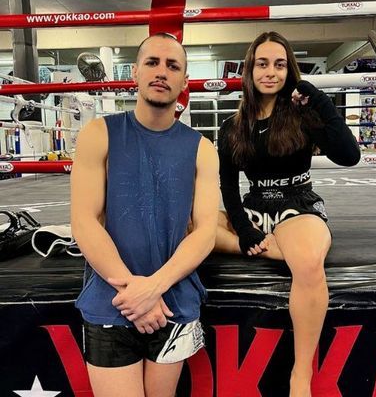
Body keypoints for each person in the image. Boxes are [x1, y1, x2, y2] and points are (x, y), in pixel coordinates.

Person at [71, 32, 219, 397]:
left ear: (184, 81)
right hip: (113, 301)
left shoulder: (202, 149)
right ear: (135, 72)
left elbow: (205, 232)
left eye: (173, 66)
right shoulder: (98, 134)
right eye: (152, 62)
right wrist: (134, 292)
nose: (161, 72)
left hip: (172, 303)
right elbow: (84, 222)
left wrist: (153, 288)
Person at [215, 31, 360, 397]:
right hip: (255, 208)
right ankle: (260, 244)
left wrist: (322, 104)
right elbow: (229, 187)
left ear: (289, 70)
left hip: (298, 204)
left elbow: (349, 155)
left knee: (309, 261)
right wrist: (245, 229)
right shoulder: (232, 126)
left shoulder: (300, 112)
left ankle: (300, 375)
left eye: (279, 64)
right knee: (189, 224)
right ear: (249, 70)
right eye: (262, 64)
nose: (271, 72)